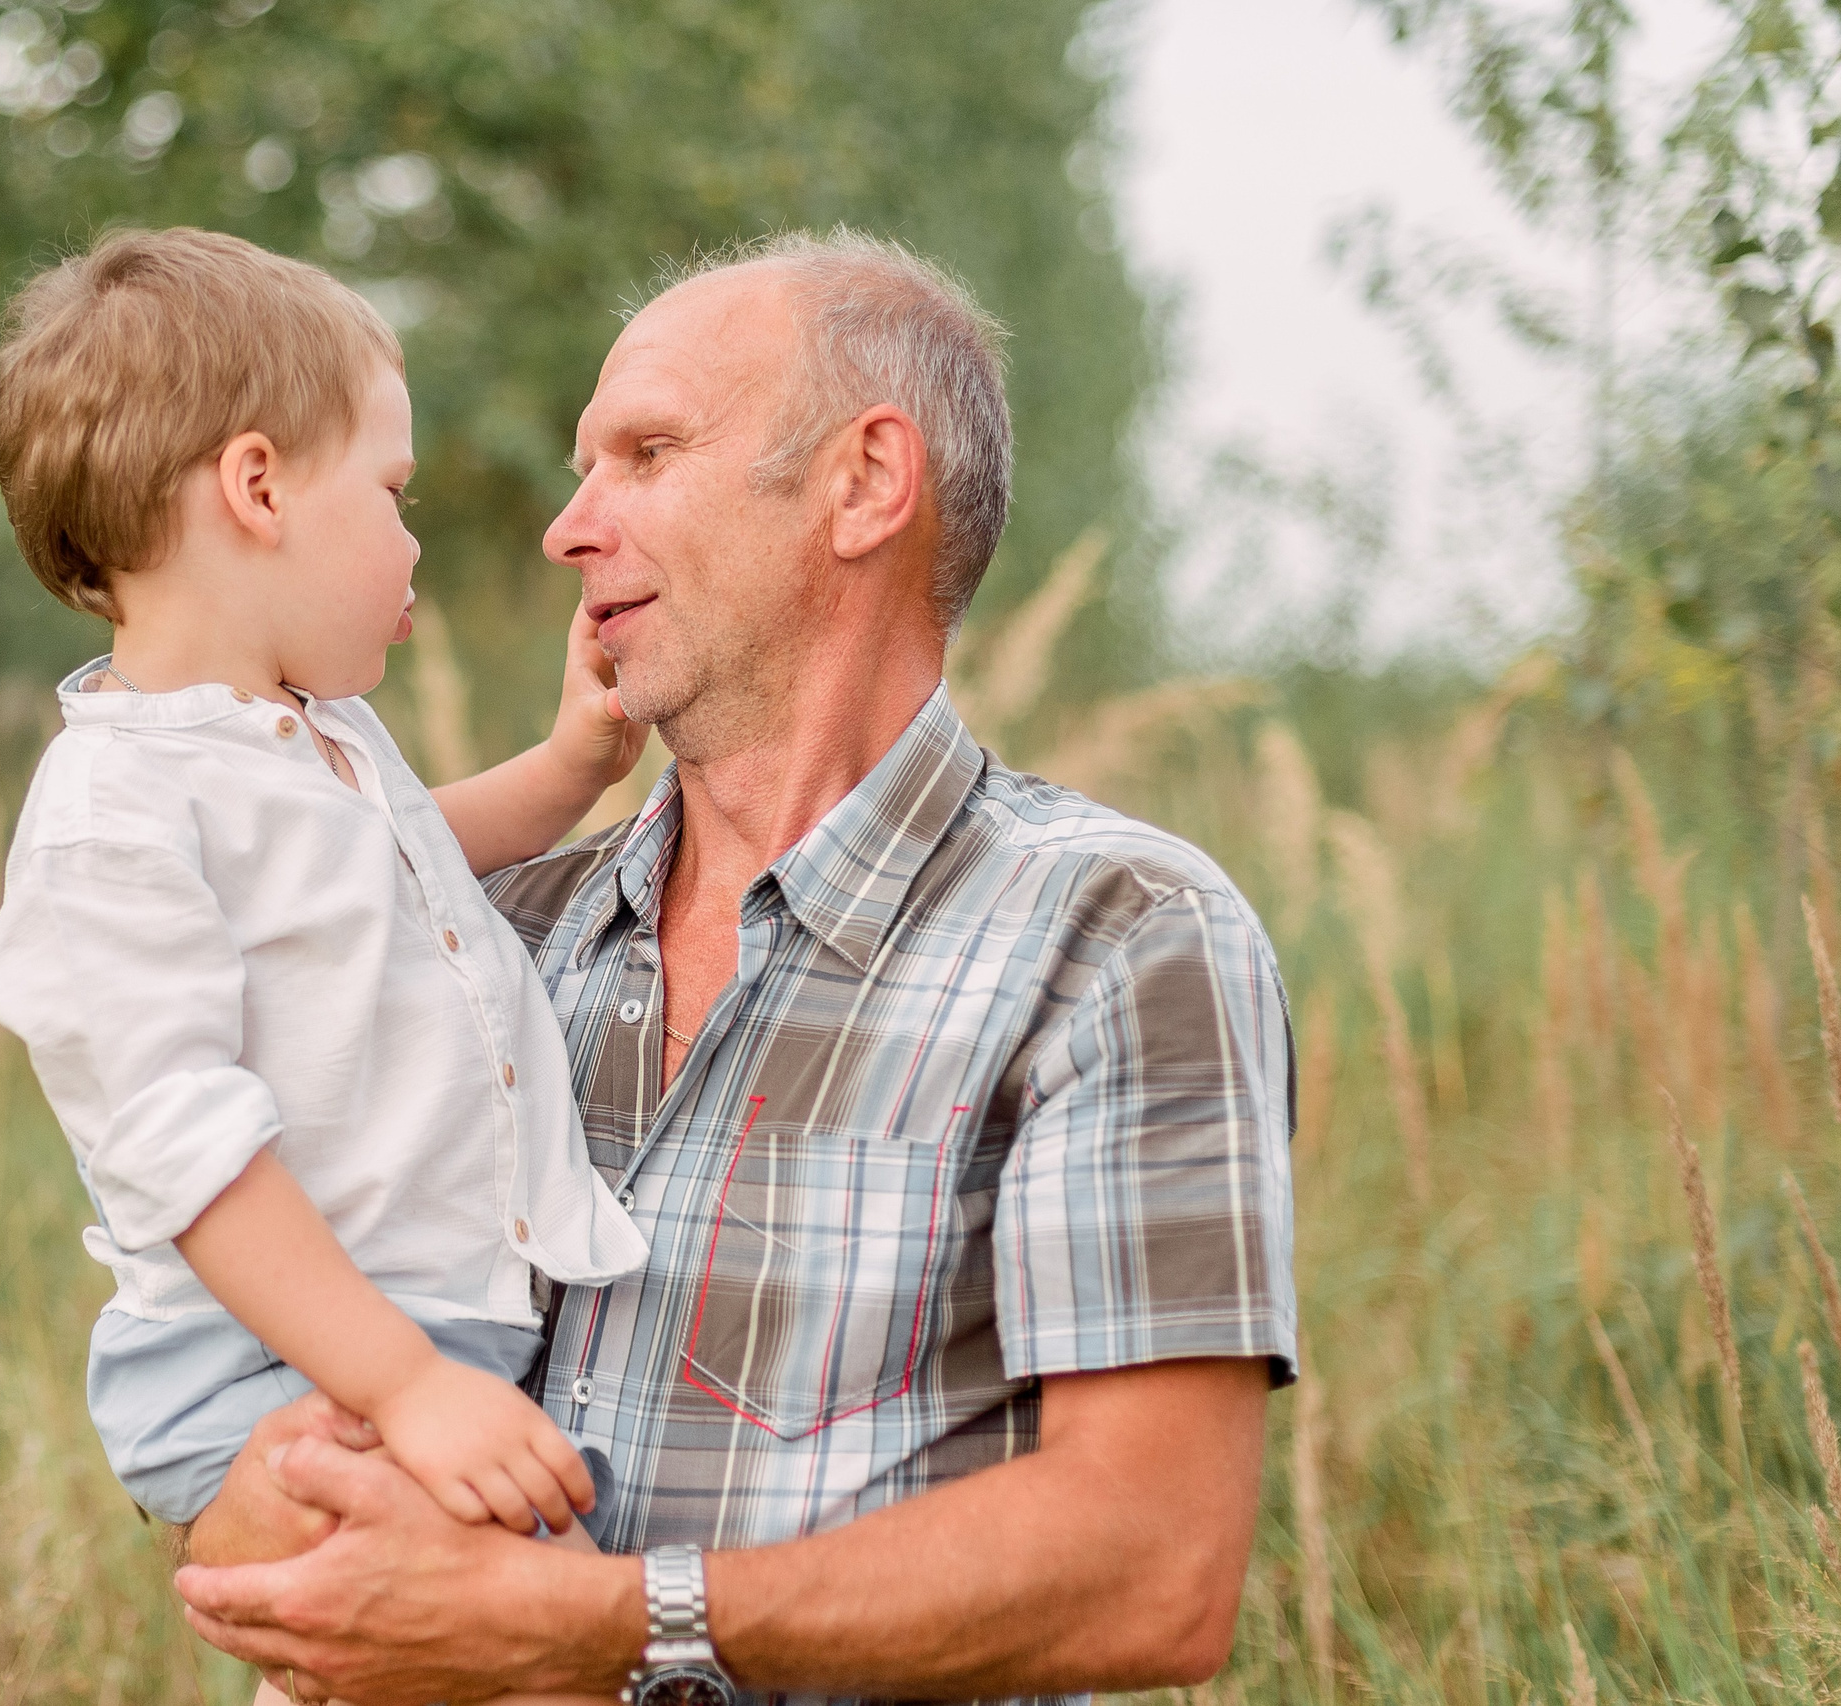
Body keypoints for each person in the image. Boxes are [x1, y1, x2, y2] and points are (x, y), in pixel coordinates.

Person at [171, 230, 1299, 1706]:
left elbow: (1152, 1565)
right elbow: (235, 1415)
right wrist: (274, 1511)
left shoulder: (1117, 933)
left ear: (865, 484)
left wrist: (588, 1621)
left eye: (644, 451)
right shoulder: (485, 925)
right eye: (585, 469)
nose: (569, 527)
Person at [0, 228, 660, 1705]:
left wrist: (565, 771)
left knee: (471, 1654)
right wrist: (399, 1382)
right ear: (261, 486)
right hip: (278, 1361)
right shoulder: (117, 809)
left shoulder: (318, 735)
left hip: (408, 1335)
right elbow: (185, 1149)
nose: (413, 543)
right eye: (394, 495)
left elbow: (405, 863)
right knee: (512, 1657)